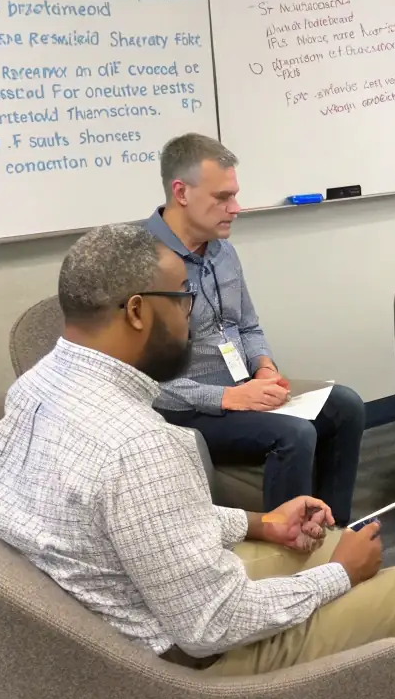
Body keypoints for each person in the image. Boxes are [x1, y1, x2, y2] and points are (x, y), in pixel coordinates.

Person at [0, 225, 395, 699]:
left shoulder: (34, 387)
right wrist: (340, 576)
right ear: (138, 311)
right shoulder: (141, 445)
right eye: (182, 299)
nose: (189, 314)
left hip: (112, 631)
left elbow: (140, 526)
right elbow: (213, 623)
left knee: (328, 539)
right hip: (178, 673)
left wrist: (260, 522)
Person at [147, 133, 365, 527]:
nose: (236, 208)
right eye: (222, 197)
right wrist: (230, 397)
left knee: (346, 406)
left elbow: (247, 325)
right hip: (184, 409)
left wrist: (264, 366)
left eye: (235, 195)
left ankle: (334, 533)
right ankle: (288, 553)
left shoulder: (223, 251)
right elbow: (144, 380)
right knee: (294, 435)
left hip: (242, 388)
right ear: (181, 192)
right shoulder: (143, 263)